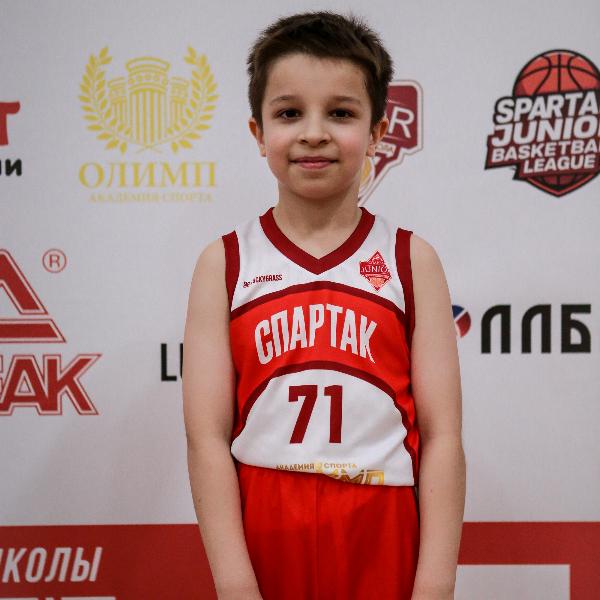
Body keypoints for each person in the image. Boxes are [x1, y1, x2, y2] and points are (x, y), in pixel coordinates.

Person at [183, 11, 465, 600]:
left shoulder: (412, 260)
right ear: (258, 132)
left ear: (378, 131)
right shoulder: (224, 262)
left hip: (382, 521)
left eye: (340, 113)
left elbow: (441, 437)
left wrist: (436, 583)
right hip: (265, 519)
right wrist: (233, 581)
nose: (314, 133)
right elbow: (207, 437)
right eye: (289, 113)